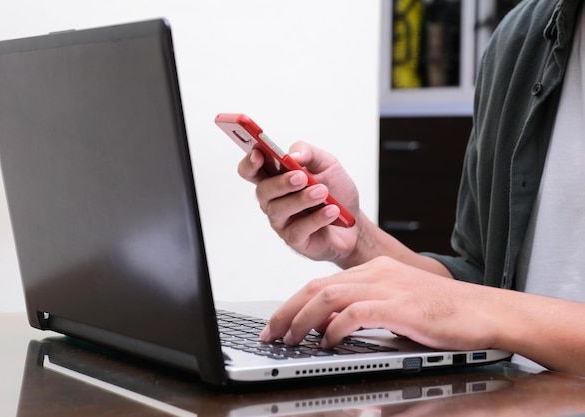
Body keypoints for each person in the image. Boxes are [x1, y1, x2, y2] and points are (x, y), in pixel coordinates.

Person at [237, 0, 585, 376]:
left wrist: (492, 310)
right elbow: (478, 282)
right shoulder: (520, 39)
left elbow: (484, 306)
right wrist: (358, 240)